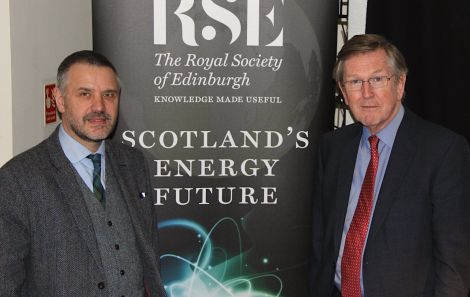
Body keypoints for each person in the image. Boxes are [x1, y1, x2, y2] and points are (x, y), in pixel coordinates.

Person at [310, 34, 470, 297]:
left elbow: (454, 260)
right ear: (343, 91)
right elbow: (321, 241)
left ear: (400, 83)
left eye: (377, 79)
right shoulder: (332, 148)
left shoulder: (443, 150)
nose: (366, 93)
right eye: (355, 82)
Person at [0, 50, 167, 297]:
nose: (99, 106)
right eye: (85, 94)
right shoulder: (18, 180)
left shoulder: (133, 164)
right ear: (59, 99)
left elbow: (148, 258)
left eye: (108, 95)